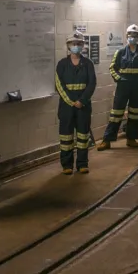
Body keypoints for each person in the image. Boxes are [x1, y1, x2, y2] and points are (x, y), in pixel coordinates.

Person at [98, 24, 138, 150]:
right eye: (130, 35)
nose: (132, 37)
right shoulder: (120, 52)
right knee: (116, 113)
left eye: (135, 35)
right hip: (123, 87)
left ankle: (131, 139)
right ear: (127, 36)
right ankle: (107, 140)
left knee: (134, 114)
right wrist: (119, 79)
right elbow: (112, 68)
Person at [55, 32, 97, 174]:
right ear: (68, 46)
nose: (76, 46)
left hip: (83, 107)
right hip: (67, 107)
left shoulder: (88, 64)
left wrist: (82, 101)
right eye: (73, 44)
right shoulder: (61, 64)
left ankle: (82, 163)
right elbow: (58, 85)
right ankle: (67, 165)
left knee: (83, 136)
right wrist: (71, 101)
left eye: (79, 44)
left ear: (83, 46)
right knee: (66, 137)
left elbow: (92, 84)